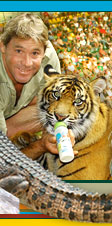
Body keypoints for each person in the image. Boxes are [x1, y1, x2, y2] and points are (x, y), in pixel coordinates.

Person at [0, 12, 75, 160]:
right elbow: (3, 163)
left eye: (34, 53)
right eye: (19, 51)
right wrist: (41, 146)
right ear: (3, 46)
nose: (27, 62)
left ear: (43, 51)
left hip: (12, 115)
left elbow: (53, 103)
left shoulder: (48, 57)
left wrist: (59, 132)